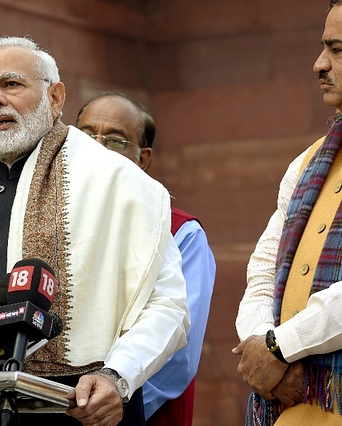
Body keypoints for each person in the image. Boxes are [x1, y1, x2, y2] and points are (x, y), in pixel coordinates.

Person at [0, 36, 190, 426]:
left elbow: (168, 305)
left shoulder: (118, 180)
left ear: (55, 97)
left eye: (11, 84)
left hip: (77, 404)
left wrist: (117, 376)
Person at [75, 92, 216, 426]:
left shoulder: (182, 233)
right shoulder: (55, 220)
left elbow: (178, 358)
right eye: (84, 135)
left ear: (143, 158)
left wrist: (114, 407)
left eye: (115, 140)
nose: (96, 147)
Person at [234, 1, 342, 424]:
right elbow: (261, 272)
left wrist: (279, 348)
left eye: (338, 50)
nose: (319, 64)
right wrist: (262, 352)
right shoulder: (307, 163)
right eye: (323, 47)